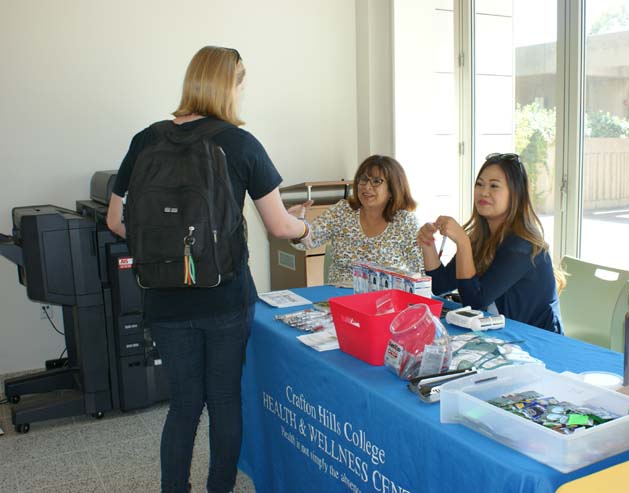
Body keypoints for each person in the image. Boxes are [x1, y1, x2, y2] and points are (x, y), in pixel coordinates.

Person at [106, 46, 310, 493]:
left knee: (183, 404)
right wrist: (305, 226)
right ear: (230, 86)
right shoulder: (239, 143)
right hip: (224, 296)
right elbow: (279, 225)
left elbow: (115, 220)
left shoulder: (146, 139)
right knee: (223, 400)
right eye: (241, 84)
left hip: (162, 296)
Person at [417, 152, 564, 334]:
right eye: (479, 184)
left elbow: (475, 302)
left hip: (537, 340)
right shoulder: (480, 237)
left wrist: (463, 243)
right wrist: (427, 244)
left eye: (494, 186)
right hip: (499, 333)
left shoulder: (522, 246)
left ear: (515, 195)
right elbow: (439, 285)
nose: (483, 192)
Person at [294, 155, 423, 285]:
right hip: (341, 296)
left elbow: (421, 271)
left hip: (385, 300)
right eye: (363, 179)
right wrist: (296, 223)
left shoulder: (405, 221)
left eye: (376, 181)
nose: (367, 187)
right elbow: (308, 240)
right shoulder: (342, 211)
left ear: (392, 188)